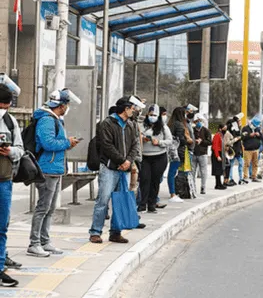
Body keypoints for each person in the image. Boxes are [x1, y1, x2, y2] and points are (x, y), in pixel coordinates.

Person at [28, 89, 81, 257]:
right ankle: (34, 243)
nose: (68, 108)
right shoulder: (47, 120)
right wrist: (67, 142)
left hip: (54, 168)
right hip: (46, 168)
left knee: (50, 208)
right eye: (67, 105)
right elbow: (48, 143)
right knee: (43, 207)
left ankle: (44, 240)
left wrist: (67, 143)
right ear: (62, 105)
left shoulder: (55, 119)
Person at [89, 96, 143, 244]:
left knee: (119, 200)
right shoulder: (106, 124)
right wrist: (122, 160)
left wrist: (129, 161)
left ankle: (115, 232)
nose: (134, 111)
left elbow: (135, 145)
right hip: (109, 167)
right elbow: (106, 146)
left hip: (124, 168)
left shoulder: (131, 125)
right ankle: (95, 231)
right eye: (132, 108)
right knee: (103, 200)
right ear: (125, 109)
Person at [0, 83, 23, 286]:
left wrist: (11, 152)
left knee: (1, 227)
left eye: (6, 106)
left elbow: (20, 149)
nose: (4, 110)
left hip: (4, 181)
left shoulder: (10, 121)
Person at [139, 104, 173, 213]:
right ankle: (142, 204)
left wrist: (159, 142)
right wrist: (142, 139)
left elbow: (169, 141)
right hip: (145, 156)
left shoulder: (163, 127)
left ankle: (152, 203)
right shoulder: (142, 126)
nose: (152, 117)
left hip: (159, 156)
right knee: (144, 180)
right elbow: (136, 137)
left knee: (155, 181)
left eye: (155, 115)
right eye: (151, 114)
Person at [166, 107, 189, 203]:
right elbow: (181, 140)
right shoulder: (179, 125)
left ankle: (173, 192)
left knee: (171, 172)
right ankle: (173, 193)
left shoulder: (170, 124)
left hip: (170, 151)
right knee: (173, 173)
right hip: (177, 152)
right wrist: (188, 140)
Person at [192, 114, 212, 194]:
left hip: (203, 154)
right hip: (193, 153)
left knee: (203, 172)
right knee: (192, 171)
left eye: (200, 121)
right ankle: (193, 187)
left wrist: (202, 141)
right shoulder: (192, 130)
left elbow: (210, 142)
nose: (199, 122)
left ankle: (203, 187)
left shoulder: (206, 131)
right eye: (197, 121)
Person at [242, 117, 262, 183]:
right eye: (254, 125)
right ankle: (245, 177)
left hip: (256, 149)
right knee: (247, 164)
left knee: (255, 164)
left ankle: (254, 176)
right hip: (248, 150)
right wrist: (249, 135)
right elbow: (243, 137)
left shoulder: (257, 129)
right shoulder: (245, 128)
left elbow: (262, 137)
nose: (255, 127)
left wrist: (259, 135)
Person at [228, 116, 245, 185]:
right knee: (231, 165)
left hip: (239, 150)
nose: (240, 122)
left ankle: (241, 179)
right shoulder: (233, 129)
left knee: (241, 164)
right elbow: (234, 139)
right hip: (234, 150)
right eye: (239, 121)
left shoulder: (238, 129)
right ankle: (231, 179)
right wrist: (240, 137)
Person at [211, 123, 227, 190]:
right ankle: (218, 184)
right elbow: (215, 146)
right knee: (217, 170)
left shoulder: (221, 135)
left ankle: (219, 184)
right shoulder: (217, 135)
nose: (225, 130)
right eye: (224, 128)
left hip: (220, 154)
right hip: (216, 154)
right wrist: (217, 156)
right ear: (220, 129)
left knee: (219, 170)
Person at [223, 120, 236, 187]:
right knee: (227, 167)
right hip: (225, 153)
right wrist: (236, 139)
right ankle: (226, 181)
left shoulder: (225, 132)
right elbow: (228, 142)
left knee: (226, 167)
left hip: (224, 153)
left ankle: (226, 181)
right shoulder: (227, 133)